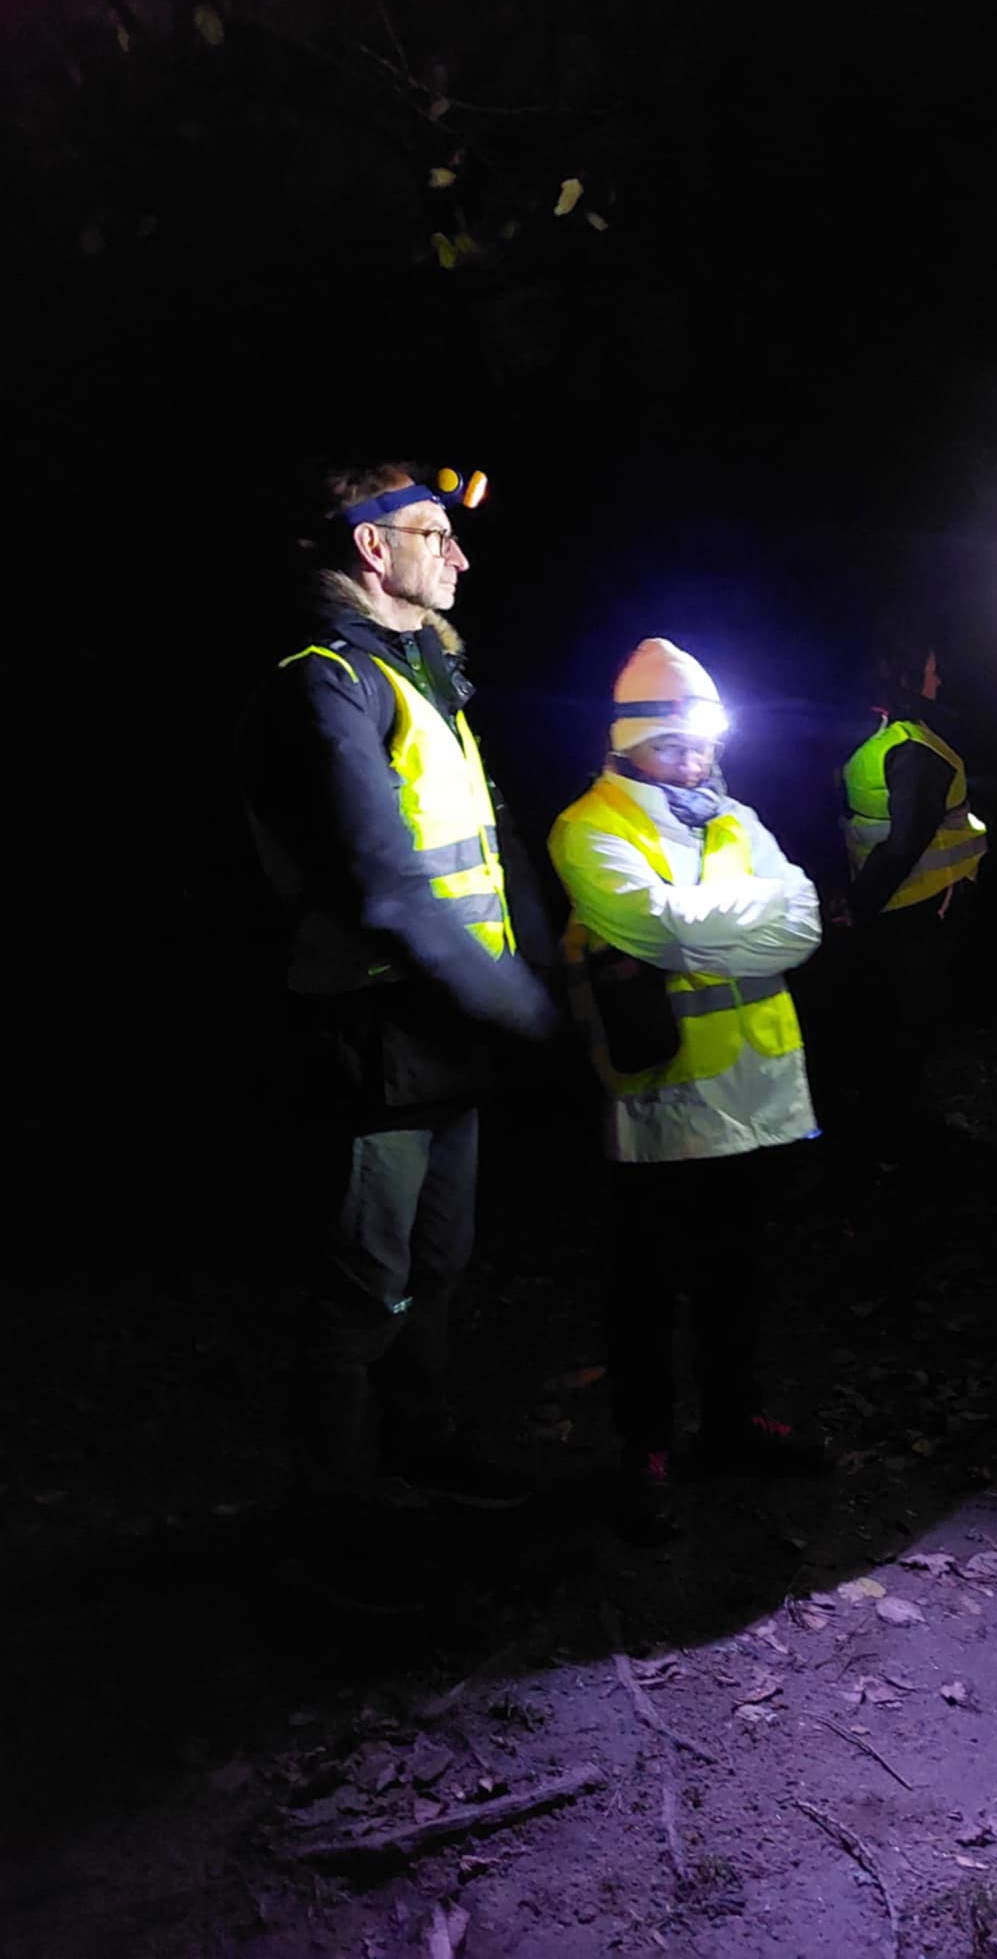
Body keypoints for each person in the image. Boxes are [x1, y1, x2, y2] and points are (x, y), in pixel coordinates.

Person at [240, 462, 557, 1611]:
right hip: (376, 1039)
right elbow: (385, 885)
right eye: (435, 533)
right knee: (365, 1280)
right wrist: (525, 1006)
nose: (459, 555)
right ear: (373, 548)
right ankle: (325, 1516)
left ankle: (422, 1444)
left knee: (437, 1260)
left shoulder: (422, 673)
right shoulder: (325, 683)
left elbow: (490, 842)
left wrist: (543, 966)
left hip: (446, 1035)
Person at [548, 638, 826, 1542]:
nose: (693, 760)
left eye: (704, 744)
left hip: (760, 1092)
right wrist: (747, 915)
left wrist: (703, 926)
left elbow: (805, 926)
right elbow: (654, 928)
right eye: (672, 745)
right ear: (629, 744)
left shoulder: (737, 817)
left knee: (736, 1275)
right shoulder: (589, 826)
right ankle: (646, 1453)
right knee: (648, 1285)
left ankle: (733, 1423)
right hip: (665, 1101)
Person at [839, 637, 987, 1158]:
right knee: (892, 1020)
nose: (938, 681)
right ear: (907, 679)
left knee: (901, 1023)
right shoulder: (902, 741)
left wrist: (855, 906)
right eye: (931, 672)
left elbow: (905, 843)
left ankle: (892, 1131)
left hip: (921, 905)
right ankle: (886, 1124)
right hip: (903, 908)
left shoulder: (912, 747)